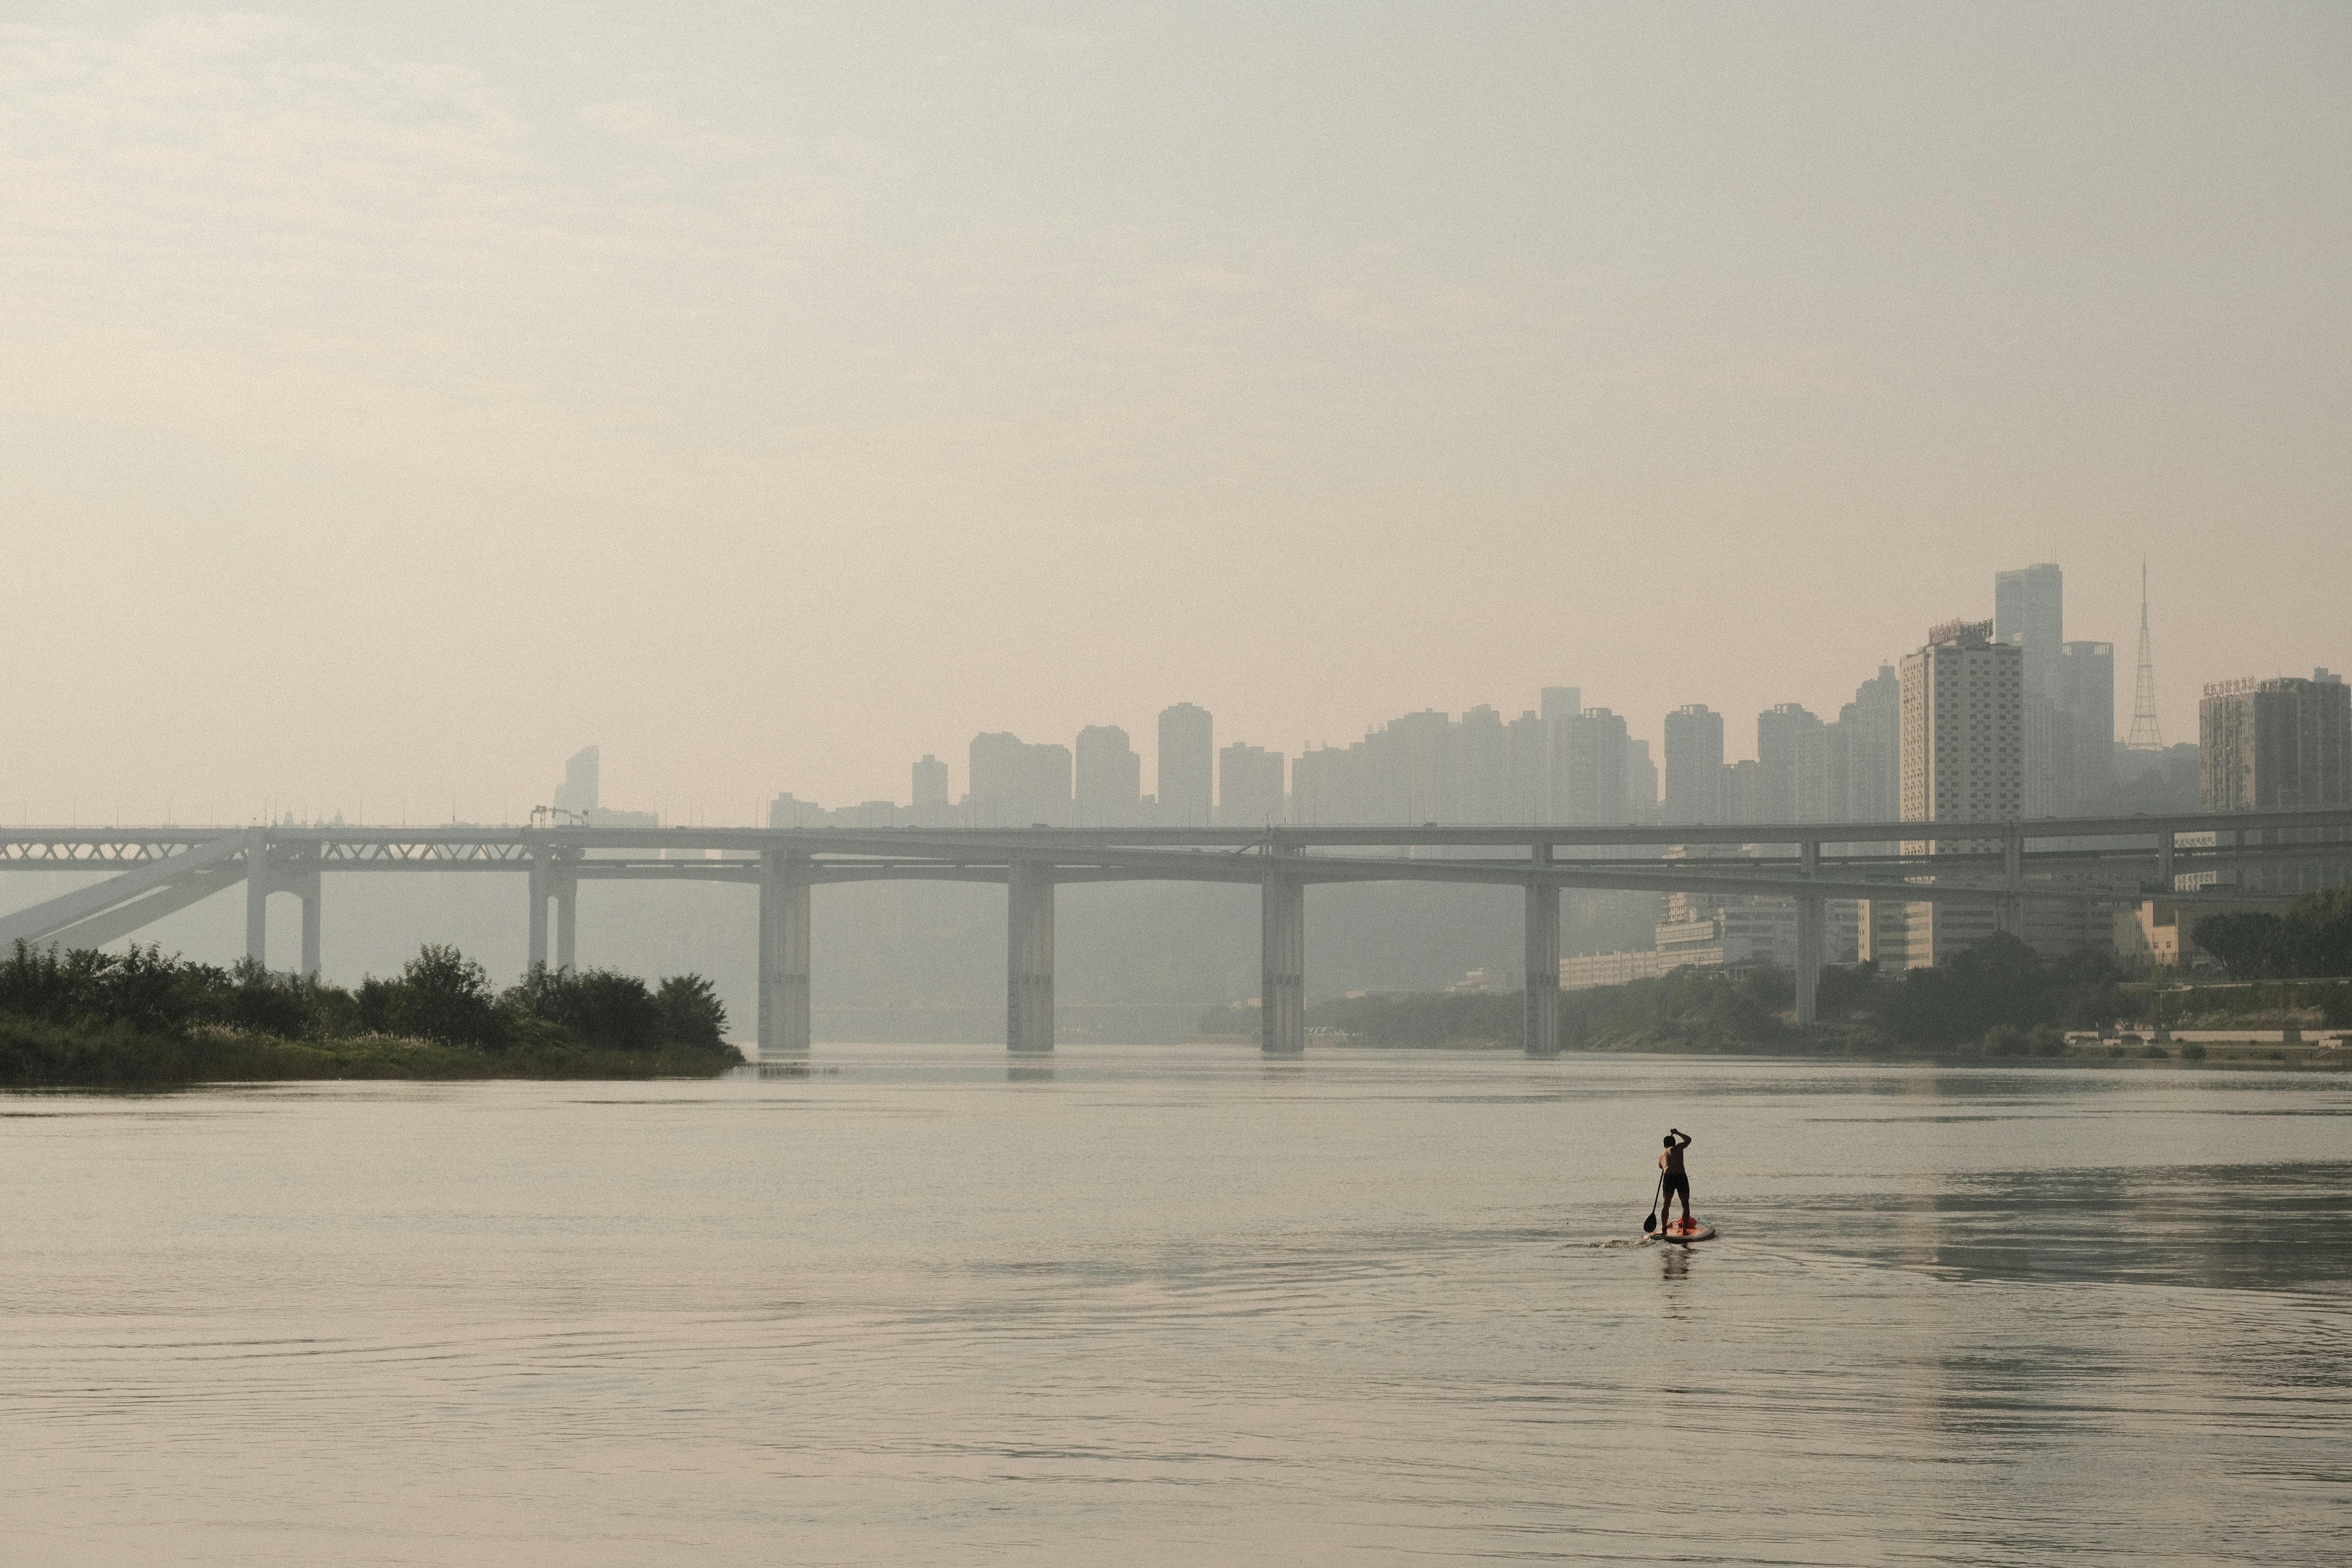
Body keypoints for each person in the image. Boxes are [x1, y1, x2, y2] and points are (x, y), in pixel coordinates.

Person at [1658, 1129, 1694, 1234]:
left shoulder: (1662, 1156)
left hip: (1668, 1178)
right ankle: (1684, 1231)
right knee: (1685, 1205)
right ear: (1674, 1143)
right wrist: (1678, 1133)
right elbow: (1689, 1140)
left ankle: (1664, 1229)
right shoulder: (1679, 1148)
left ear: (1665, 1145)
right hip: (1680, 1177)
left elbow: (1661, 1167)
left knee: (1666, 1204)